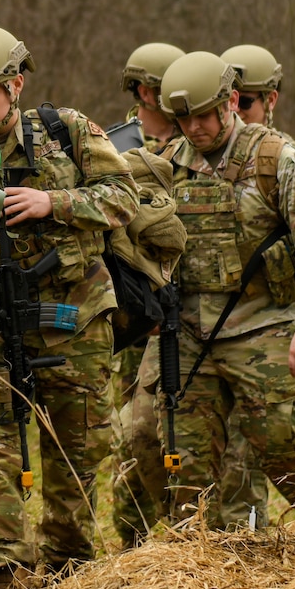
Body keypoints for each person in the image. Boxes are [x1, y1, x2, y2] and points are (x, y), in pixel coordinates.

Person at [0, 26, 137, 589]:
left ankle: (69, 580)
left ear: (16, 86)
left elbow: (127, 198)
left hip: (73, 320)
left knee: (75, 461)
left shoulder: (65, 132)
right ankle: (5, 588)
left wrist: (57, 201)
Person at [141, 52, 295, 524]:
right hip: (191, 336)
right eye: (183, 119)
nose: (193, 128)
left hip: (266, 328)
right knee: (184, 468)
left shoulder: (277, 160)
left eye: (202, 116)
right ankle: (202, 569)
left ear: (232, 101)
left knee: (290, 458)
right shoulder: (167, 165)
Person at [106, 42, 193, 545]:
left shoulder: (197, 149)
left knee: (185, 429)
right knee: (130, 437)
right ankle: (131, 544)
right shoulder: (110, 147)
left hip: (188, 311)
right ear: (143, 90)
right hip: (129, 312)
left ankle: (189, 537)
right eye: (167, 90)